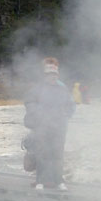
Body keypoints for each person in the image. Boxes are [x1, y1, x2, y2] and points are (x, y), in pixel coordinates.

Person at [24, 57, 75, 190]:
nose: (52, 77)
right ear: (45, 75)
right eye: (49, 75)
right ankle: (40, 181)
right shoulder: (38, 88)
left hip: (59, 127)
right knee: (42, 153)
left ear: (57, 75)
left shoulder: (62, 88)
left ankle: (59, 181)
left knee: (58, 154)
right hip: (42, 126)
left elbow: (71, 105)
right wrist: (38, 113)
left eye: (54, 74)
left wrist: (66, 114)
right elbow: (29, 102)